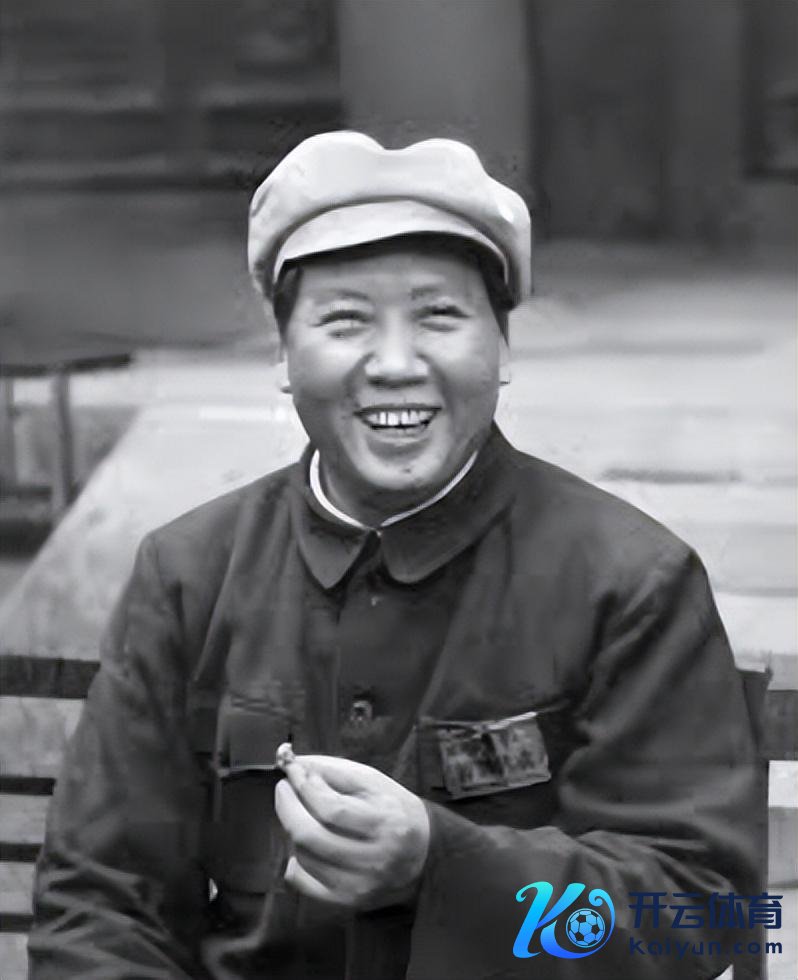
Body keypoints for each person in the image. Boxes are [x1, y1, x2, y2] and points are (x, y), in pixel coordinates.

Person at [29, 132, 759, 980]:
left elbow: (697, 916)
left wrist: (442, 869)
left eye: (439, 315)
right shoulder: (190, 574)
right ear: (282, 354)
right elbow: (100, 901)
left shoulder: (630, 581)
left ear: (503, 348)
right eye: (345, 321)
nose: (396, 364)